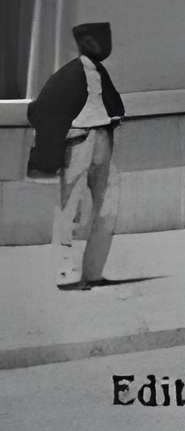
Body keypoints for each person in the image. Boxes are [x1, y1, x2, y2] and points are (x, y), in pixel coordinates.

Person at [27, 21, 126, 290]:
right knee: (70, 208)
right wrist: (65, 132)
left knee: (107, 206)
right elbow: (38, 111)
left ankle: (93, 272)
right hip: (80, 141)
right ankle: (66, 274)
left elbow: (114, 105)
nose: (104, 46)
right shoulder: (68, 74)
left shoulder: (100, 72)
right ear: (85, 43)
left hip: (102, 140)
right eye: (98, 41)